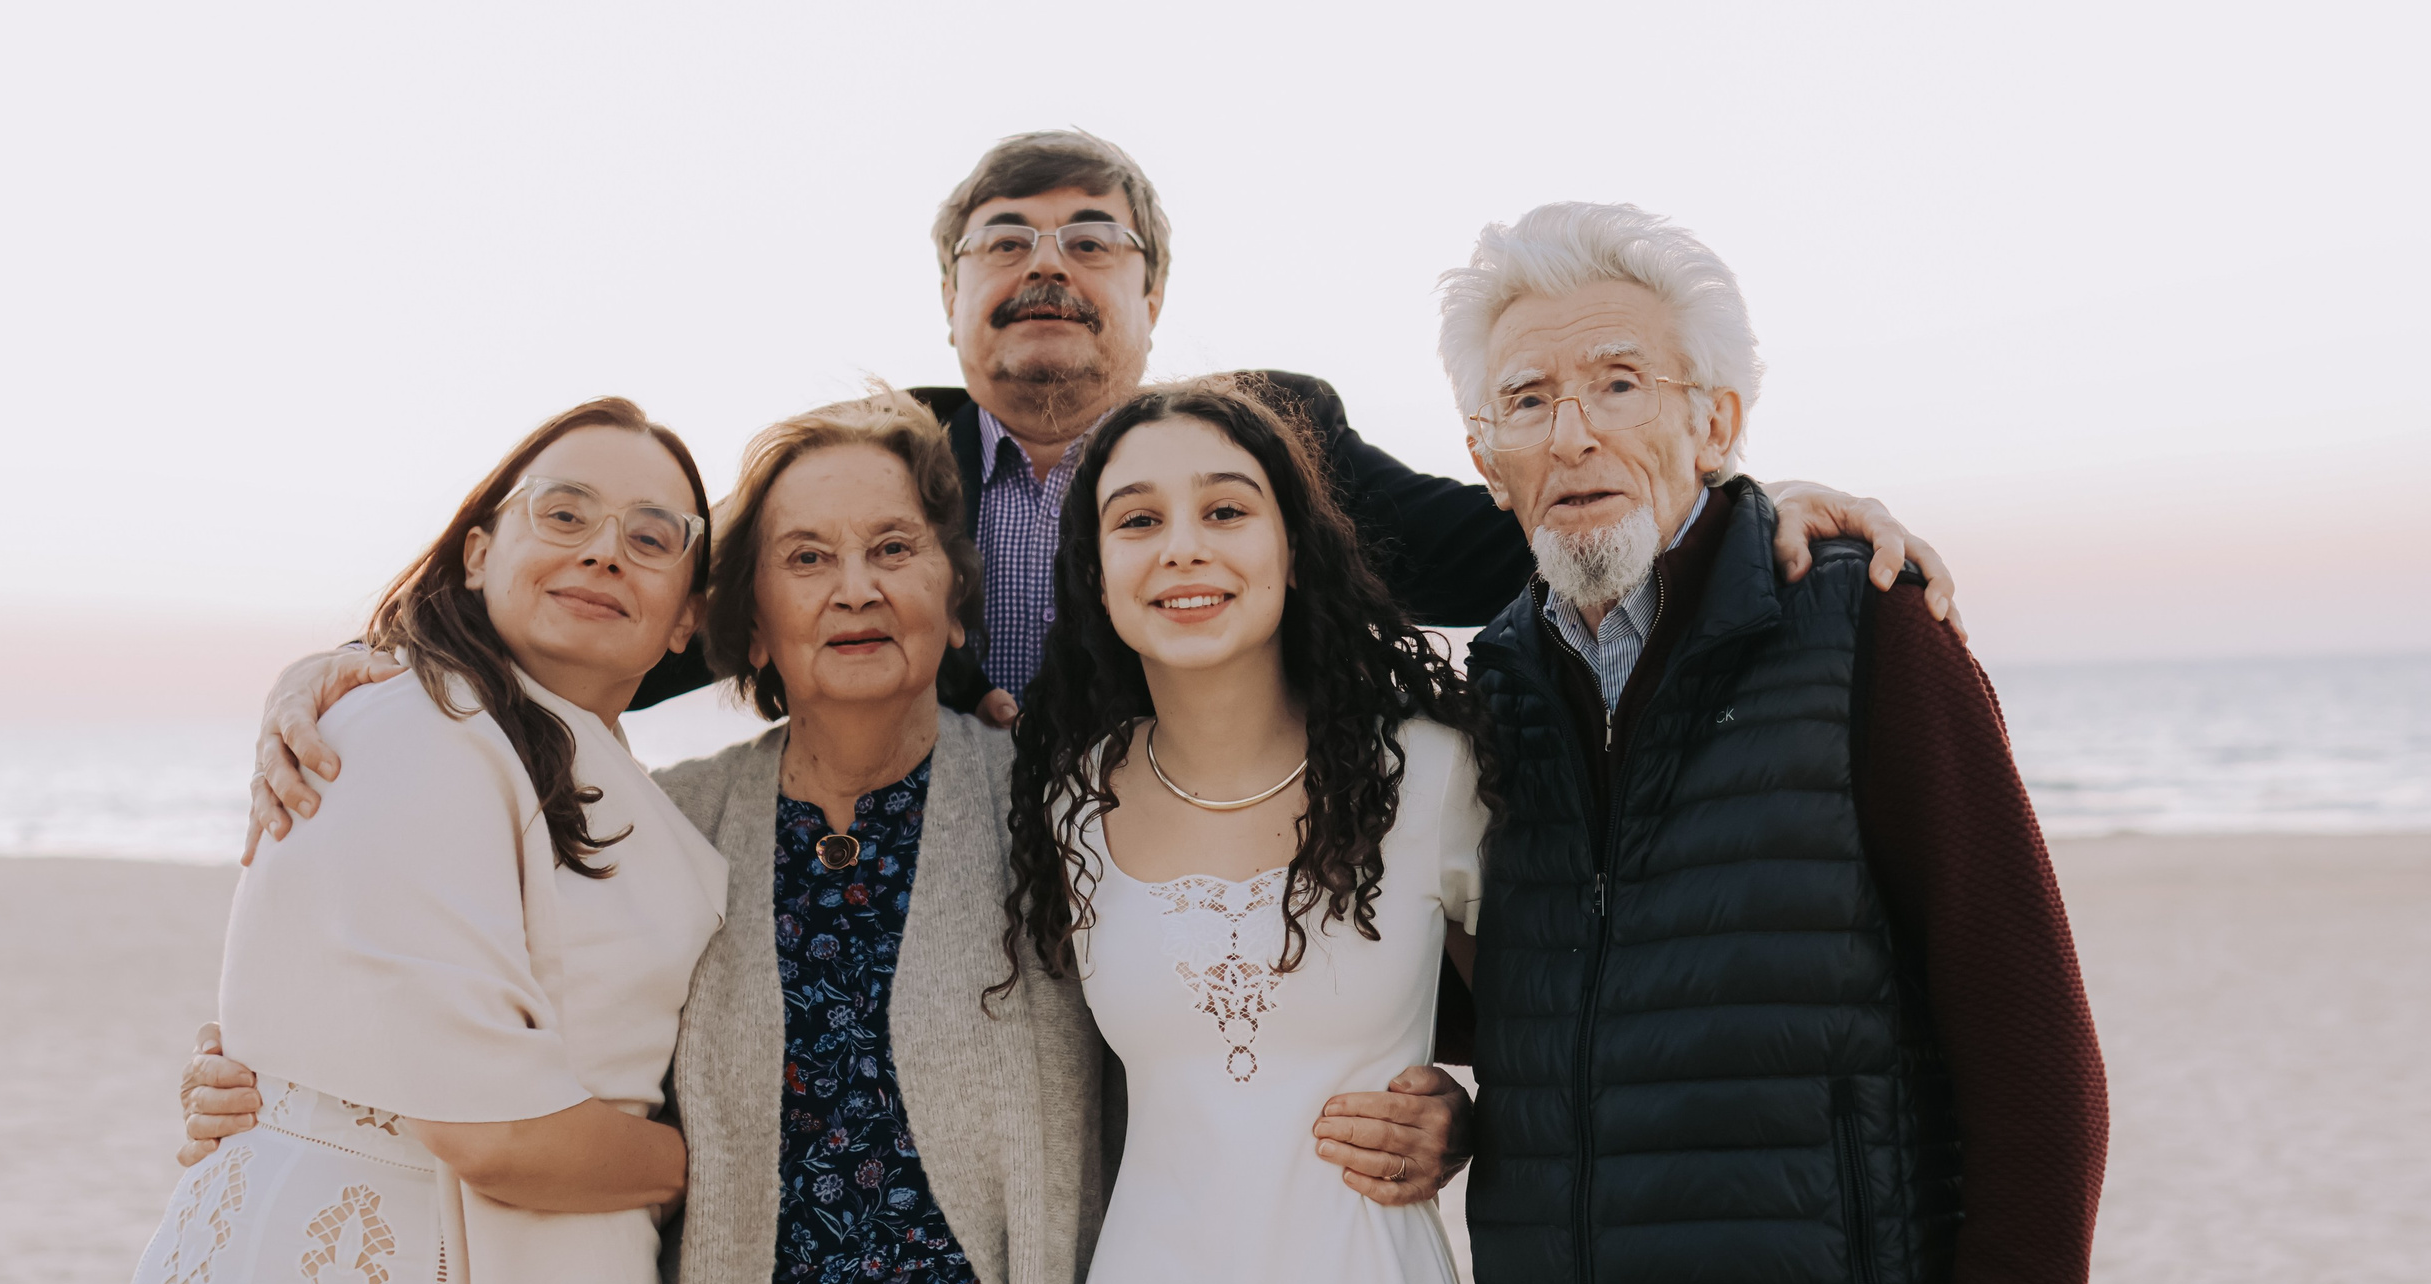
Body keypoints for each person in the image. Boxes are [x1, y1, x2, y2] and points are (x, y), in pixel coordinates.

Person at [176, 391, 1476, 1284]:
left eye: (895, 549)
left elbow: (1242, 965)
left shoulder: (1056, 797)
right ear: (745, 616)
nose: (855, 590)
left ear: (956, 594)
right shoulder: (656, 825)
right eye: (807, 557)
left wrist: (1446, 1104)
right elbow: (457, 1013)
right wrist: (272, 1082)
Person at [243, 130, 1962, 838]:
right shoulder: (868, 465)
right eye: (1007, 247)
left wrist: (1755, 501)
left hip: (1190, 874)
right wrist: (381, 664)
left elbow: (1515, 535)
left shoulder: (1266, 434)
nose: (1046, 271)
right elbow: (633, 627)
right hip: (935, 884)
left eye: (1092, 246)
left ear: (1153, 302)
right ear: (952, 303)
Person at [1443, 202, 2110, 1284]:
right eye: (1528, 402)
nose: (1576, 432)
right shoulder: (1496, 692)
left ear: (1719, 419)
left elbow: (2038, 1068)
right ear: (1482, 455)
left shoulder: (1866, 635)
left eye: (1622, 383)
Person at [53, 399, 729, 1284]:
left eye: (653, 539)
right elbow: (504, 1139)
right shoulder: (414, 729)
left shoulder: (585, 766)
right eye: (566, 515)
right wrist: (715, 1165)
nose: (605, 554)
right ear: (478, 547)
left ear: (690, 609)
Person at [995, 380, 1540, 1284]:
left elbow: (1563, 1029)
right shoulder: (1064, 797)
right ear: (1096, 573)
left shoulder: (1431, 770)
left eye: (1226, 509)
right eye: (1137, 520)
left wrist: (1466, 1114)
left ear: (1294, 545)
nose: (1183, 546)